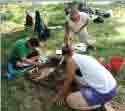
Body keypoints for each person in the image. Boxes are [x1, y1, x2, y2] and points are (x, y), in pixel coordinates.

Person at [53, 45, 117, 111]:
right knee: (75, 77)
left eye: (63, 57)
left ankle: (98, 105)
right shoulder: (82, 56)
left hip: (104, 92)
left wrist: (60, 95)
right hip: (112, 87)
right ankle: (93, 98)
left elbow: (68, 81)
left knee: (70, 100)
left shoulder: (70, 61)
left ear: (65, 55)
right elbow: (58, 52)